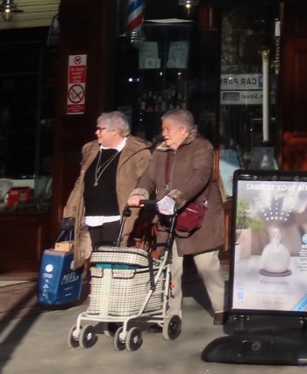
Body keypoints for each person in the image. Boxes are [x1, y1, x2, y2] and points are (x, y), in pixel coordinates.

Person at [128, 109, 226, 324]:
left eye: (168, 129)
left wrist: (176, 197)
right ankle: (171, 313)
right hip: (168, 218)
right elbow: (149, 176)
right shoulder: (161, 151)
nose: (164, 133)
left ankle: (221, 307)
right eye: (163, 129)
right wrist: (139, 192)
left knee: (206, 266)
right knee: (171, 267)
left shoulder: (202, 147)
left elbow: (200, 176)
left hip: (199, 217)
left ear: (183, 130)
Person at [62, 111, 151, 270]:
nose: (96, 132)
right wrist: (70, 212)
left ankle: (112, 293)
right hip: (92, 215)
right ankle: (101, 291)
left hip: (118, 215)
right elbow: (80, 184)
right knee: (97, 258)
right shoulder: (91, 150)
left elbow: (146, 181)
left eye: (100, 128)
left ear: (115, 131)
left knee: (114, 259)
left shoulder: (138, 152)